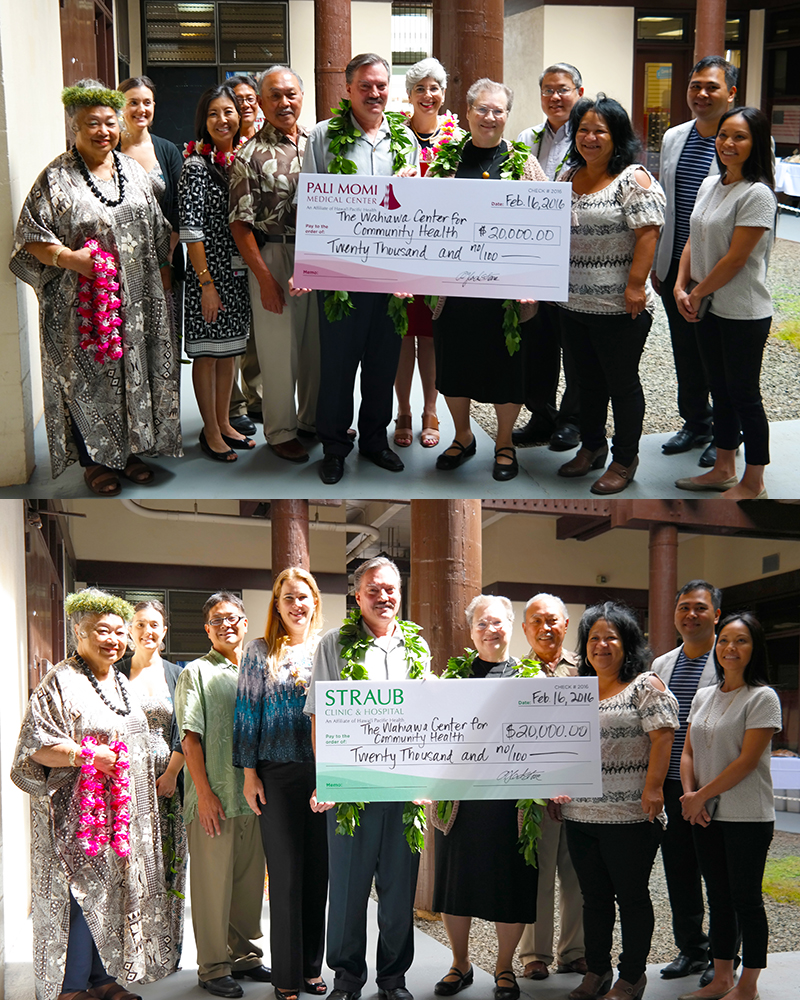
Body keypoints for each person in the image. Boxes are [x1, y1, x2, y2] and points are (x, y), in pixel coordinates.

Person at [9, 79, 181, 495]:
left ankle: (132, 451)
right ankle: (95, 461)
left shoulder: (134, 171)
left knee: (134, 373)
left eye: (109, 123)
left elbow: (159, 230)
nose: (103, 131)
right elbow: (28, 235)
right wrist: (69, 259)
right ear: (75, 128)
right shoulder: (56, 177)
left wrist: (163, 277)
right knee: (91, 380)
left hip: (139, 301)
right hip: (81, 304)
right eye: (92, 124)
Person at [11, 588, 175, 1000]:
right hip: (74, 818)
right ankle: (69, 986)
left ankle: (103, 980)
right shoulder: (59, 681)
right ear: (78, 633)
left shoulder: (120, 681)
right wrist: (85, 754)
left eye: (120, 632)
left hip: (122, 814)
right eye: (101, 631)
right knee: (78, 895)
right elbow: (35, 747)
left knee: (113, 893)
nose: (113, 640)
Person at [304, 557, 431, 1000]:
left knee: (398, 895)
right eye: (373, 590)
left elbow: (427, 719)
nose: (384, 597)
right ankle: (347, 979)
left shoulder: (417, 648)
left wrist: (426, 781)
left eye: (391, 589)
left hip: (403, 792)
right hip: (352, 788)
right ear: (357, 597)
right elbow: (319, 717)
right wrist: (329, 780)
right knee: (347, 892)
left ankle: (393, 980)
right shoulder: (334, 644)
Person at [301, 53, 420, 485]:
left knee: (383, 363)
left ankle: (374, 440)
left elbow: (419, 211)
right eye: (365, 86)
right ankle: (334, 446)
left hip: (390, 274)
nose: (375, 93)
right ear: (348, 89)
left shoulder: (405, 140)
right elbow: (308, 202)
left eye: (381, 85)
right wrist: (310, 268)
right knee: (337, 364)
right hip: (341, 273)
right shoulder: (322, 136)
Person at [554, 602, 679, 1000]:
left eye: (611, 637)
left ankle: (632, 976)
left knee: (632, 897)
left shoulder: (646, 684)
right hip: (580, 814)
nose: (602, 645)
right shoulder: (576, 689)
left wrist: (654, 788)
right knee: (594, 900)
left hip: (631, 816)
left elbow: (663, 735)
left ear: (627, 643)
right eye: (594, 638)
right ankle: (597, 972)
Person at [427, 77, 547, 482]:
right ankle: (462, 437)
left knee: (507, 371)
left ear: (507, 116)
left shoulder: (522, 162)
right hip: (454, 291)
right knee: (454, 365)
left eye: (498, 111)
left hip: (506, 295)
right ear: (467, 113)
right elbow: (421, 219)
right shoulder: (445, 160)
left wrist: (534, 279)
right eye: (482, 109)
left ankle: (504, 441)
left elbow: (549, 221)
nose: (490, 117)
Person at [556, 96, 666, 495]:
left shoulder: (633, 180)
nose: (590, 137)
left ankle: (624, 459)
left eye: (599, 130)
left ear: (616, 136)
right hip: (571, 304)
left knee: (621, 384)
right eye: (583, 130)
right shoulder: (567, 177)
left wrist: (636, 285)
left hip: (620, 307)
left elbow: (649, 233)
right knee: (584, 383)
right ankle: (592, 447)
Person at [432, 595, 538, 1000]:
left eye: (497, 622)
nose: (490, 630)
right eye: (481, 624)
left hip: (512, 805)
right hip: (463, 803)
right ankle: (460, 962)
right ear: (470, 631)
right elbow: (434, 740)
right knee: (455, 884)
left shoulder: (535, 681)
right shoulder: (451, 681)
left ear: (512, 625)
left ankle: (504, 966)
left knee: (511, 884)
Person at [233, 568, 328, 1000]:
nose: (296, 604)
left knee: (317, 875)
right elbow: (246, 715)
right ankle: (286, 976)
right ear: (277, 603)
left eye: (303, 596)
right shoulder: (258, 651)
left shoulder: (329, 649)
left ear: (314, 601)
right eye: (288, 596)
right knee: (287, 877)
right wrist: (250, 774)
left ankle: (311, 968)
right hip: (276, 775)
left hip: (324, 775)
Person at [673, 106, 776, 500]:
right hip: (707, 305)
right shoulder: (711, 184)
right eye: (723, 135)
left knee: (744, 394)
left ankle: (754, 482)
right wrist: (682, 287)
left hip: (742, 312)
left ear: (757, 144)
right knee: (719, 388)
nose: (728, 144)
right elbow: (692, 239)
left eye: (740, 137)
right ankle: (723, 467)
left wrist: (696, 293)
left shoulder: (757, 194)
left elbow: (735, 259)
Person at [679, 612, 782, 1000]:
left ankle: (748, 985)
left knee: (746, 901)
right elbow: (687, 751)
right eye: (724, 640)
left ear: (755, 648)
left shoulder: (762, 698)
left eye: (740, 641)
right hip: (705, 814)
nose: (730, 648)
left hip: (747, 817)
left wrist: (700, 797)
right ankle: (721, 978)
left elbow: (746, 762)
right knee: (718, 900)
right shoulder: (704, 695)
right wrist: (691, 798)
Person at [174, 592, 270, 999]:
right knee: (213, 889)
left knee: (249, 886)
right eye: (217, 620)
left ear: (246, 622)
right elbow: (190, 738)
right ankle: (212, 967)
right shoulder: (195, 673)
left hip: (254, 799)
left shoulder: (260, 671)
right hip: (213, 797)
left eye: (233, 618)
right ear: (207, 629)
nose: (227, 625)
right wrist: (205, 793)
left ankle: (245, 956)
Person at [229, 65, 320, 464]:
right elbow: (240, 224)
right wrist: (265, 279)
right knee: (278, 350)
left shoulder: (319, 142)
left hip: (318, 254)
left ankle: (312, 420)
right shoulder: (248, 155)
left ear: (302, 97)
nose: (285, 103)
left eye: (292, 94)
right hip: (275, 254)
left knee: (315, 345)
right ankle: (281, 430)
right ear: (261, 102)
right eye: (275, 96)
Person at [654, 57, 737, 468]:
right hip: (674, 265)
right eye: (695, 86)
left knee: (718, 357)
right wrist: (658, 262)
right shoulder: (673, 137)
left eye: (712, 87)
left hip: (719, 269)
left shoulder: (743, 138)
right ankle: (695, 422)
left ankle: (726, 434)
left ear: (731, 94)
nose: (702, 94)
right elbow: (664, 204)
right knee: (685, 350)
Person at [179, 84, 253, 464]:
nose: (222, 120)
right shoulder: (195, 166)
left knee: (230, 356)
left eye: (228, 111)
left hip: (237, 276)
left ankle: (225, 422)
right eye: (213, 113)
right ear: (203, 122)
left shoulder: (239, 161)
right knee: (207, 356)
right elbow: (191, 231)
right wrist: (206, 284)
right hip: (208, 277)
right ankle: (209, 431)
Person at [514, 62, 585, 453]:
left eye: (562, 89)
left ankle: (572, 421)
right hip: (536, 258)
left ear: (578, 91)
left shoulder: (590, 136)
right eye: (547, 90)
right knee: (536, 343)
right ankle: (541, 413)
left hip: (576, 259)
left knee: (573, 343)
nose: (555, 98)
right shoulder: (527, 137)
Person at [652, 582, 721, 984]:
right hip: (671, 787)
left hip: (712, 786)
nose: (690, 615)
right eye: (683, 608)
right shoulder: (661, 665)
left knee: (717, 873)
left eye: (699, 608)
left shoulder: (728, 662)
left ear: (715, 615)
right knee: (678, 870)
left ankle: (723, 955)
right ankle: (691, 949)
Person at [393, 57, 460, 451]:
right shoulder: (394, 137)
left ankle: (430, 410)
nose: (428, 95)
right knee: (402, 335)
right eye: (420, 88)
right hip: (401, 251)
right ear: (409, 94)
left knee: (431, 337)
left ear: (443, 93)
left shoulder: (457, 139)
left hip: (440, 253)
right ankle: (403, 409)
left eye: (434, 88)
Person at [517, 594, 585, 982]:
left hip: (579, 793)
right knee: (538, 875)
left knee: (578, 876)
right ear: (525, 628)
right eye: (536, 621)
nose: (545, 627)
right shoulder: (514, 673)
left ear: (565, 623)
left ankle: (575, 952)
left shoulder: (587, 669)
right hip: (533, 795)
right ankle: (534, 955)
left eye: (553, 620)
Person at [119, 599, 187, 968]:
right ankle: (132, 952)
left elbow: (188, 729)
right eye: (140, 624)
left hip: (167, 784)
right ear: (131, 630)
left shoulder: (176, 675)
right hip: (125, 785)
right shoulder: (113, 673)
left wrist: (173, 773)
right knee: (131, 867)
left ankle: (167, 953)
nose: (147, 631)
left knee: (168, 864)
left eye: (154, 625)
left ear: (164, 630)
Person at [226, 72, 265, 437]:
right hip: (228, 249)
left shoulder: (269, 141)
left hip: (260, 247)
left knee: (257, 331)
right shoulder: (220, 144)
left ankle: (258, 397)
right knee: (235, 328)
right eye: (238, 99)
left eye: (251, 97)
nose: (246, 104)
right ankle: (234, 403)